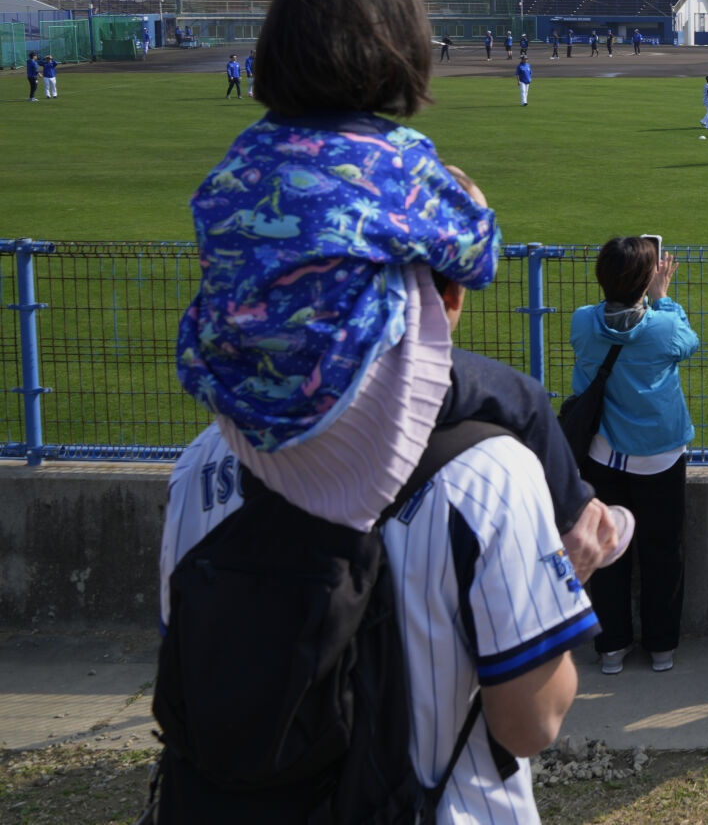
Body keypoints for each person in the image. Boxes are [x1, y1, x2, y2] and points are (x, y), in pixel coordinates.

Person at [158, 264, 596, 821]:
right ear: (451, 297)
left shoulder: (203, 459)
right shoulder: (494, 471)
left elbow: (190, 672)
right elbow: (531, 724)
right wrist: (570, 577)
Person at [176, 0, 502, 528]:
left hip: (239, 410)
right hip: (346, 415)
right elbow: (478, 260)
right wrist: (466, 203)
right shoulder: (396, 159)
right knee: (520, 400)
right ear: (400, 53)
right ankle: (581, 524)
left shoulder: (241, 157)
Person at [570, 237, 700, 674]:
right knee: (664, 550)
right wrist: (662, 299)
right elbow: (688, 342)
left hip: (603, 454)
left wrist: (640, 294)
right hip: (660, 456)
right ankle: (661, 646)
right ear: (646, 281)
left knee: (606, 548)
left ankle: (612, 647)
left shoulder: (583, 323)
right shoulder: (663, 326)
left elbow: (608, 323)